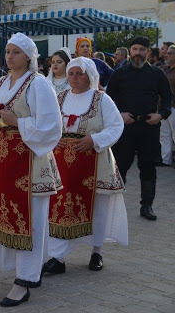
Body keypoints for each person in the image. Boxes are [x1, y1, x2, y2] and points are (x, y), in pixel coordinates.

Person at [0, 32, 62, 307]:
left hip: (30, 161)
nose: (9, 56)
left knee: (33, 218)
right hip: (4, 161)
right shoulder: (0, 82)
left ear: (28, 56)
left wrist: (18, 122)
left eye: (15, 52)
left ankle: (25, 279)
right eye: (8, 51)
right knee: (6, 213)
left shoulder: (38, 84)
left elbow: (52, 127)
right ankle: (20, 269)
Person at [42, 57, 127, 276]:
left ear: (90, 76)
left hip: (94, 163)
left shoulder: (101, 100)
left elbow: (116, 126)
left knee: (97, 208)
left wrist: (94, 140)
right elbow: (46, 124)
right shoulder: (58, 97)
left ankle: (96, 251)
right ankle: (57, 257)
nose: (75, 78)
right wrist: (53, 137)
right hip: (62, 165)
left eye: (80, 74)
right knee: (58, 207)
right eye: (71, 74)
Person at [106, 36, 173, 221]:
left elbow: (168, 98)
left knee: (148, 167)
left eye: (142, 50)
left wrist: (161, 115)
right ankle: (115, 206)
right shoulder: (119, 74)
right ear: (130, 51)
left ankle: (147, 206)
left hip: (148, 129)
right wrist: (119, 115)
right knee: (119, 167)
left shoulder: (157, 74)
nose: (138, 53)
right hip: (125, 129)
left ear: (148, 52)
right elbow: (108, 100)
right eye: (135, 49)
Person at [159, 45, 175, 167]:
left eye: (170, 53)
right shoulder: (165, 69)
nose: (166, 55)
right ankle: (166, 159)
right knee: (164, 134)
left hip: (174, 106)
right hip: (164, 107)